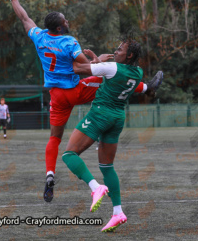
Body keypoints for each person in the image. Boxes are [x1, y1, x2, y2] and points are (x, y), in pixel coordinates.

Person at [2, 0, 163, 202]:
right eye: (64, 20)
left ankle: (50, 175)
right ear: (60, 27)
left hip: (56, 96)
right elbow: (82, 67)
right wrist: (97, 61)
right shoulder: (69, 41)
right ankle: (146, 88)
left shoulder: (39, 36)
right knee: (111, 78)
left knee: (55, 137)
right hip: (76, 90)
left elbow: (24, 18)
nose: (67, 21)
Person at [62, 38, 144, 232]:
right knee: (107, 167)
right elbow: (111, 74)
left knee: (68, 155)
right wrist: (99, 63)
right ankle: (118, 212)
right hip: (117, 117)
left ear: (129, 55)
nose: (116, 51)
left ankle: (95, 187)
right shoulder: (138, 72)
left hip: (101, 114)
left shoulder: (112, 67)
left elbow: (77, 69)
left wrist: (95, 60)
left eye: (120, 49)